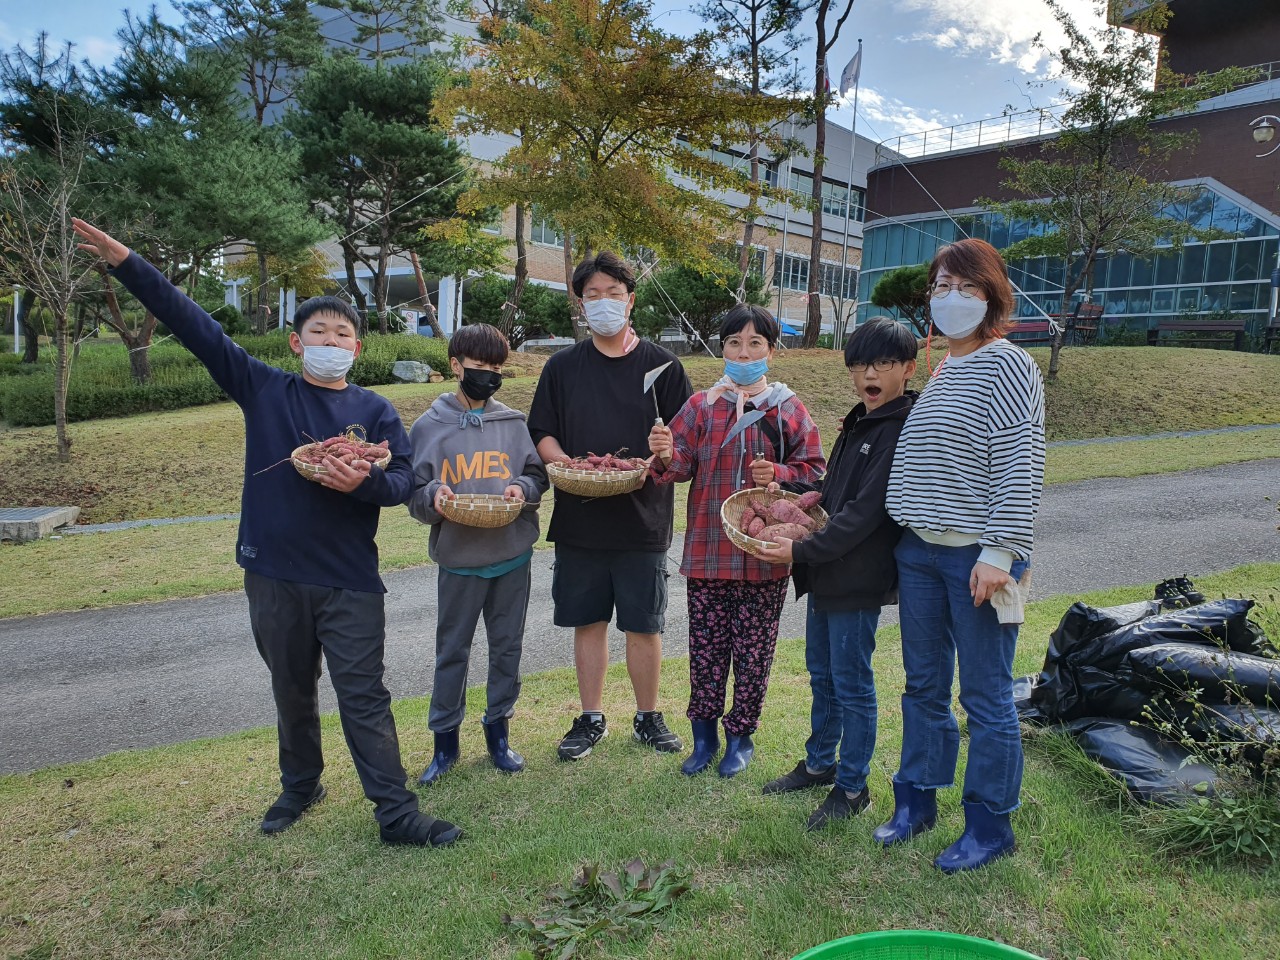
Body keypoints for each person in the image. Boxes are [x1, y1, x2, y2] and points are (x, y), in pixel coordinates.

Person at [71, 218, 462, 848]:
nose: (332, 340)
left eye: (343, 333)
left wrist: (358, 483)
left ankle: (397, 812)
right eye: (319, 332)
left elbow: (402, 487)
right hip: (274, 571)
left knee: (364, 696)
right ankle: (301, 783)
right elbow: (197, 326)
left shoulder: (375, 412)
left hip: (350, 580)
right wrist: (129, 265)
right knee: (291, 688)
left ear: (356, 348)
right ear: (295, 343)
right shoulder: (265, 389)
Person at [877, 237, 1045, 873]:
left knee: (985, 694)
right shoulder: (944, 366)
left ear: (993, 297)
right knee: (923, 685)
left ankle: (989, 824)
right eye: (941, 287)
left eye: (967, 288)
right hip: (919, 552)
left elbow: (1020, 465)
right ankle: (916, 800)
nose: (951, 299)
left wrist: (1001, 553)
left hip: (979, 557)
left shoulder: (1009, 366)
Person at [527, 251, 694, 761]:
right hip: (580, 514)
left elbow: (686, 443)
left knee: (645, 622)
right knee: (588, 620)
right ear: (580, 305)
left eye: (614, 294)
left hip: (643, 516)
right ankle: (591, 716)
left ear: (631, 300)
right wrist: (569, 468)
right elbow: (543, 432)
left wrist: (662, 453)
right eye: (593, 295)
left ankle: (648, 715)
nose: (604, 303)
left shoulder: (663, 366)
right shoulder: (562, 367)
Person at [649, 305, 824, 778]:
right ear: (721, 347)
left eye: (755, 344)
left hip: (766, 557)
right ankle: (702, 737)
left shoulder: (788, 407)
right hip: (708, 552)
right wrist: (665, 454)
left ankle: (740, 737)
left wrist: (782, 474)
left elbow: (816, 472)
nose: (743, 352)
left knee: (754, 652)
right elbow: (679, 467)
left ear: (771, 350)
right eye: (733, 343)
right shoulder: (702, 406)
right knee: (705, 650)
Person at [756, 317, 918, 829]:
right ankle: (820, 763)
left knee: (852, 682)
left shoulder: (896, 429)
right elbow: (831, 491)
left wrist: (800, 553)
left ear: (908, 370)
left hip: (856, 577)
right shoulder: (858, 421)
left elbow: (865, 514)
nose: (871, 373)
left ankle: (853, 788)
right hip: (827, 573)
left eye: (884, 364)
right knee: (821, 675)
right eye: (861, 364)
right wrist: (793, 501)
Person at [406, 323, 547, 784]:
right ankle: (444, 741)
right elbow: (414, 492)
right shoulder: (429, 426)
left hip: (512, 557)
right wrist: (435, 498)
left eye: (495, 368)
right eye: (478, 366)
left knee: (507, 648)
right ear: (455, 365)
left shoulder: (512, 422)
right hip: (460, 562)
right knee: (452, 651)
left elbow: (535, 475)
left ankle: (498, 733)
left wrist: (521, 488)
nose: (487, 375)